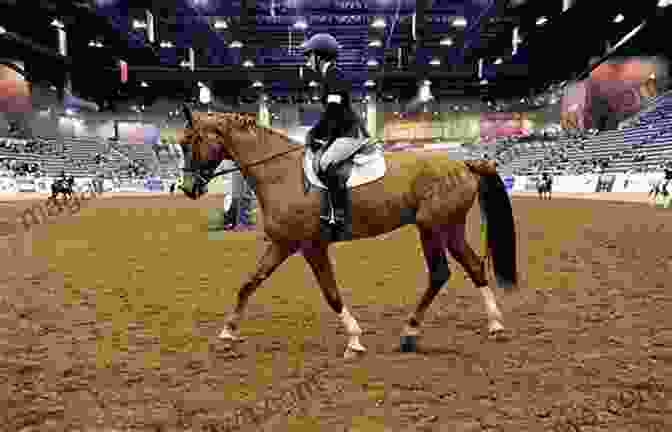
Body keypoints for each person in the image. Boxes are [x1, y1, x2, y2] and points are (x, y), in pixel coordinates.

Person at [302, 33, 370, 240]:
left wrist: (318, 132)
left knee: (326, 163)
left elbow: (334, 108)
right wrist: (319, 133)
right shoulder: (327, 76)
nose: (307, 61)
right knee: (319, 159)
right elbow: (331, 112)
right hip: (340, 132)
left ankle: (340, 215)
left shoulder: (334, 74)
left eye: (309, 56)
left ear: (319, 56)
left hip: (350, 133)